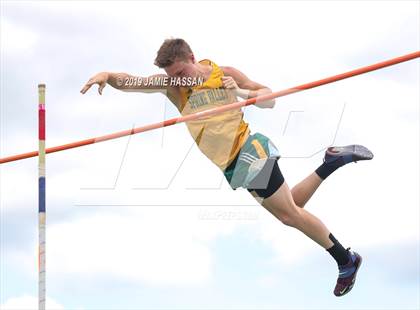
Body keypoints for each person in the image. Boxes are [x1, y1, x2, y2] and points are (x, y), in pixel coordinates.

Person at [80, 38, 373, 296]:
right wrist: (107, 75)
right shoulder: (175, 87)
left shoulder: (225, 74)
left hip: (248, 151)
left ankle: (345, 260)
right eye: (173, 76)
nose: (180, 80)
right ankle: (330, 162)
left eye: (182, 72)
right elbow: (133, 82)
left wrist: (241, 93)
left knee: (288, 216)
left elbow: (269, 101)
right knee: (292, 207)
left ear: (192, 58)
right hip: (232, 165)